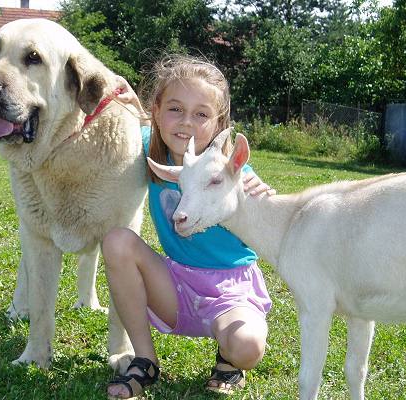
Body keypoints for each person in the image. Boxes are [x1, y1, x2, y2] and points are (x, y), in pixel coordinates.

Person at [103, 55, 275, 399]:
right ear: (157, 110)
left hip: (231, 290)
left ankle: (229, 359)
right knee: (118, 242)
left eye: (201, 114)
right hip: (177, 283)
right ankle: (145, 360)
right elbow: (122, 123)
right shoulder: (148, 144)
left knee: (249, 348)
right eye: (175, 109)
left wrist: (263, 194)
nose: (186, 123)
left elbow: (267, 210)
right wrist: (121, 104)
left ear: (218, 122)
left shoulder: (229, 171)